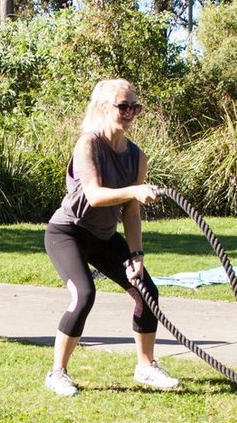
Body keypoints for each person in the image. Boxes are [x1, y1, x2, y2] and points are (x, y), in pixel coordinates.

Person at [43, 79, 177, 397]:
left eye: (135, 106)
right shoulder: (87, 144)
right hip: (68, 233)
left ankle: (146, 367)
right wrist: (134, 190)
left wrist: (136, 255)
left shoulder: (136, 157)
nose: (129, 112)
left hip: (104, 236)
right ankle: (57, 373)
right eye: (122, 105)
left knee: (146, 291)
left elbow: (131, 211)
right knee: (84, 295)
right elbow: (94, 195)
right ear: (103, 107)